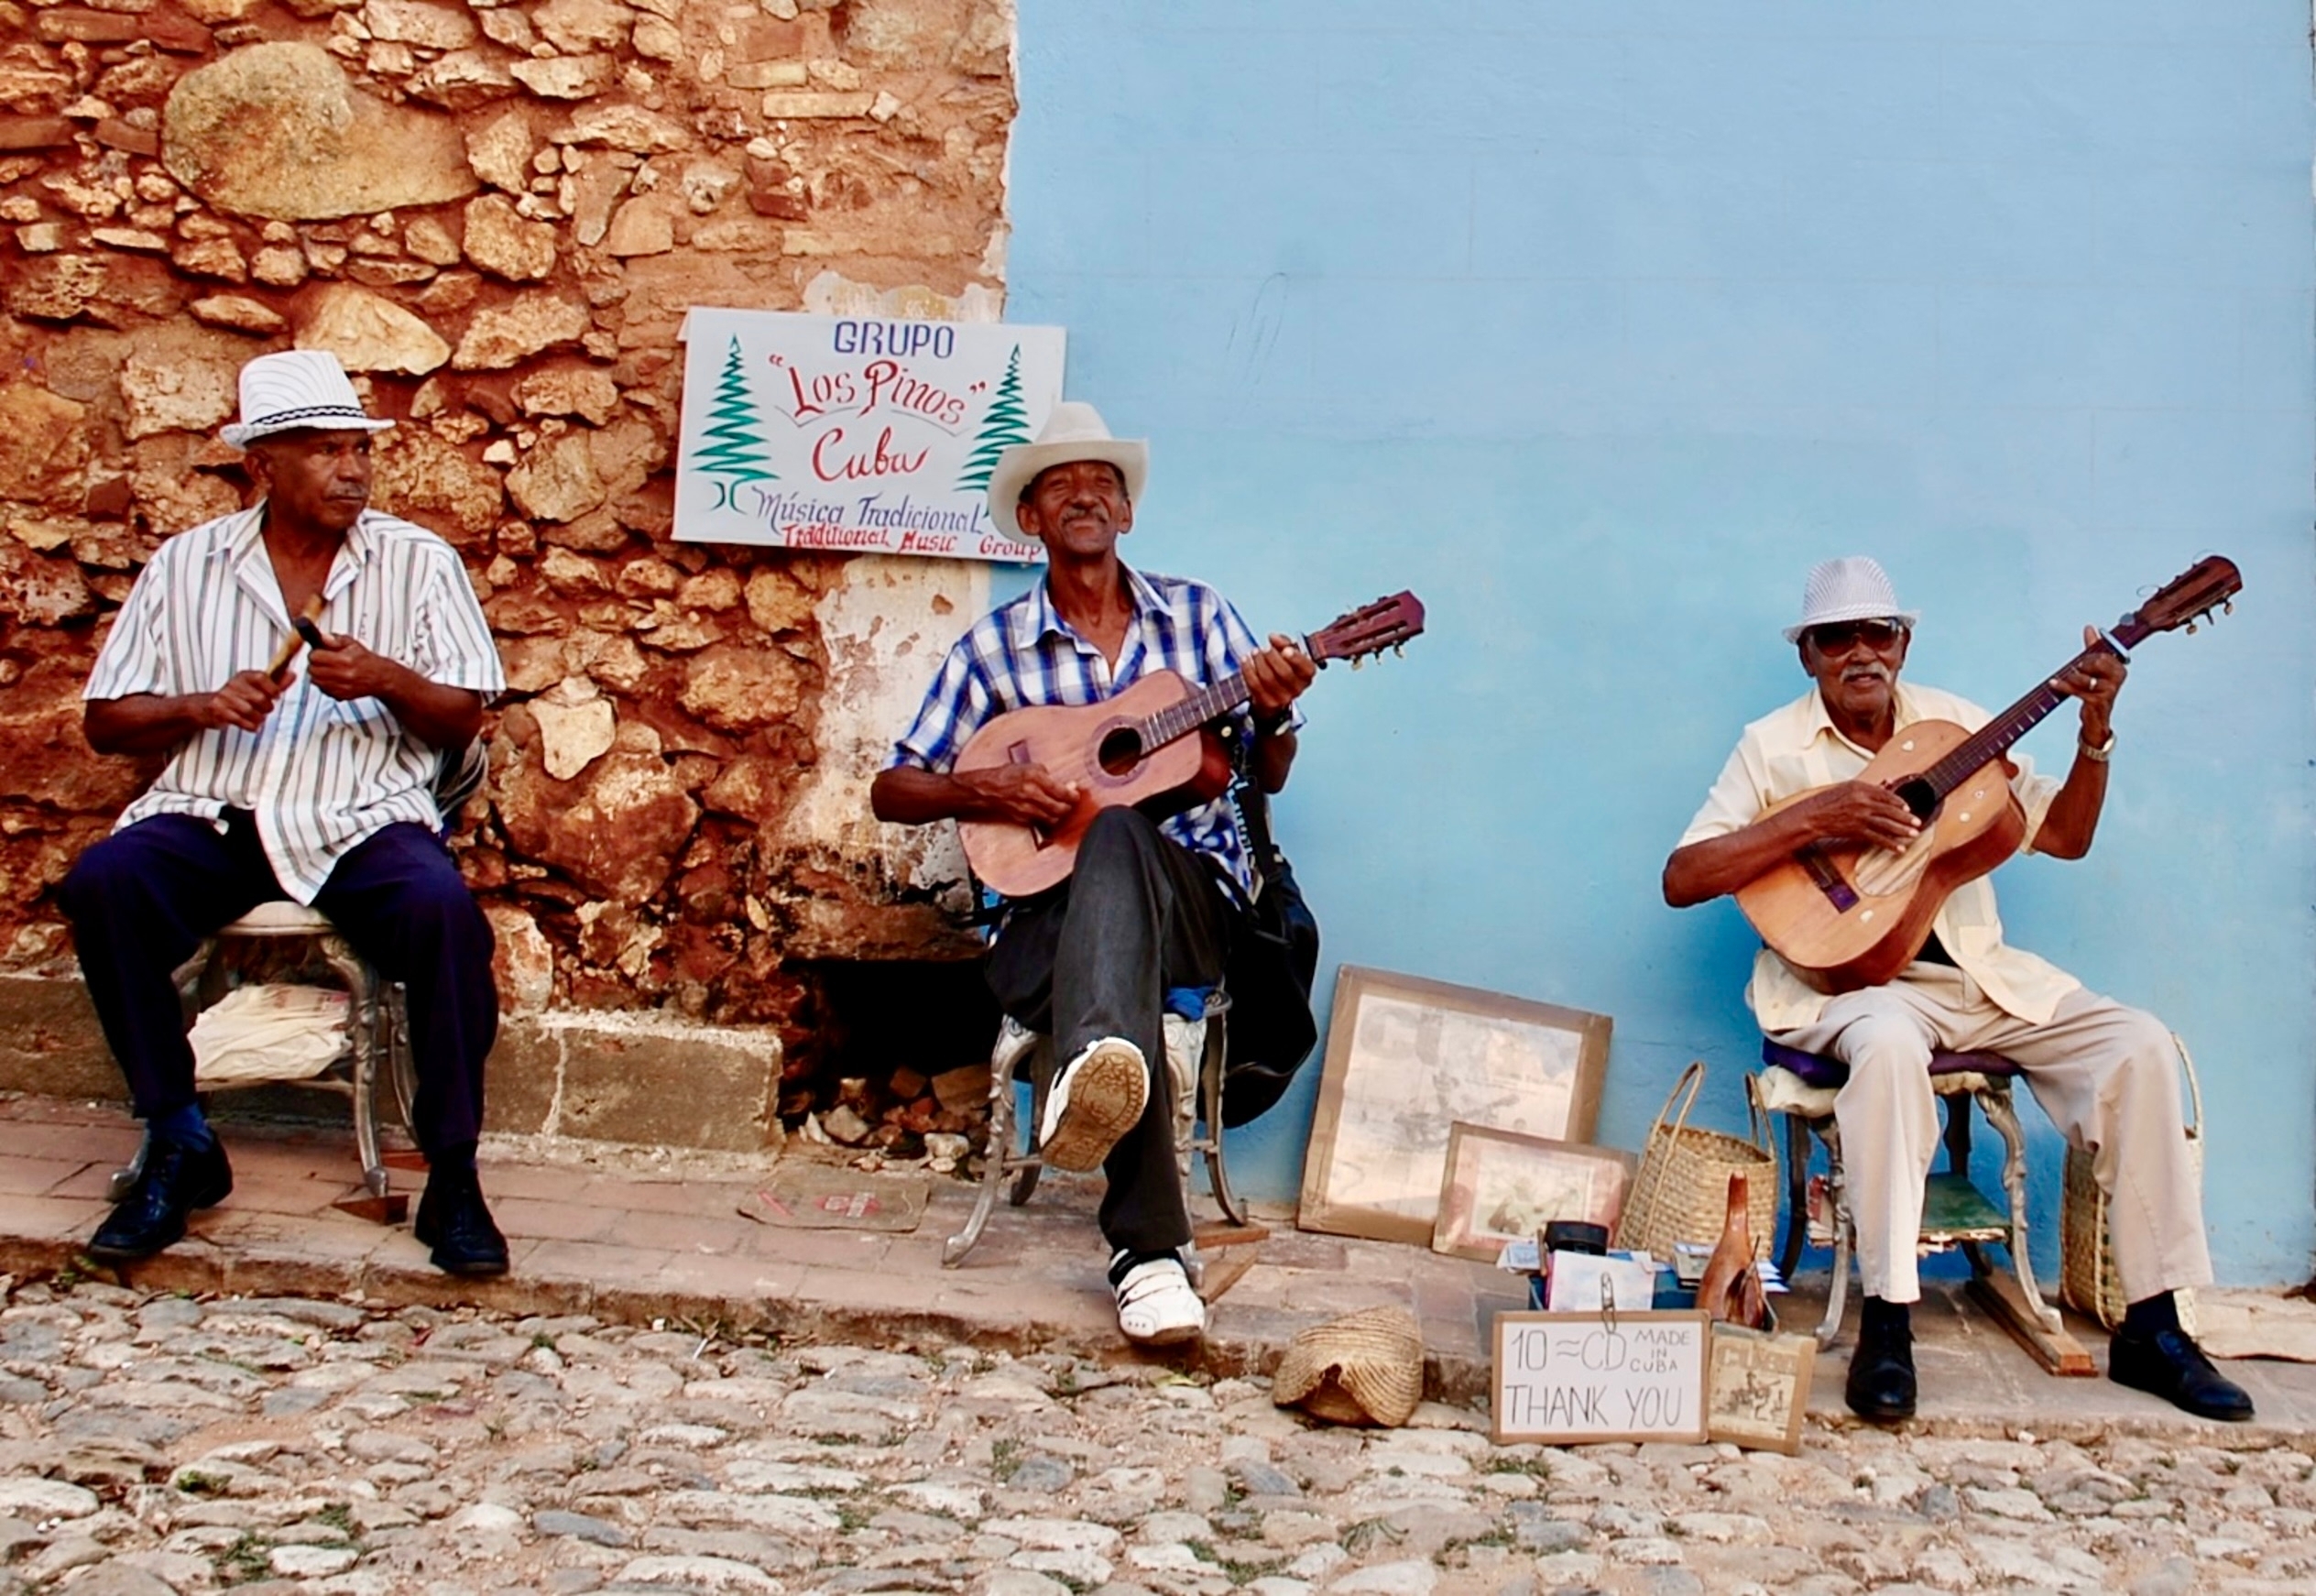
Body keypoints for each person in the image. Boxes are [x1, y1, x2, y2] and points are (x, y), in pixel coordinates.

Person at [1662, 556, 2249, 1423]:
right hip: (1849, 989)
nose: (1860, 652)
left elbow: (2068, 834)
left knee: (2141, 1047)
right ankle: (1889, 1322)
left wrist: (2095, 732)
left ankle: (2153, 1328)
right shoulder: (1771, 746)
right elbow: (1684, 875)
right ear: (1809, 655)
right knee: (1892, 1048)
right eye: (1837, 637)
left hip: (1978, 976)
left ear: (1902, 643)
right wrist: (1812, 820)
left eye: (1879, 632)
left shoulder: (1957, 726)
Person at [870, 402, 1316, 1347]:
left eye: (1103, 480)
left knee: (1116, 832)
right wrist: (982, 783)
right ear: (1028, 517)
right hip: (1041, 926)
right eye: (1060, 481)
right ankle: (1144, 1238)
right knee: (1113, 913)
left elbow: (1264, 770)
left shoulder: (1197, 618)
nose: (1086, 493)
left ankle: (1100, 1120)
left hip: (1196, 903)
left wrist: (1270, 713)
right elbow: (891, 789)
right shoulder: (993, 649)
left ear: (1126, 513)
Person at [59, 350, 510, 1277]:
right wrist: (196, 706)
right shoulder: (190, 566)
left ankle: (454, 1174)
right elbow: (107, 723)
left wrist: (385, 680)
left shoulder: (417, 562)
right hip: (216, 807)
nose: (352, 469)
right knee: (105, 882)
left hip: (360, 815)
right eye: (325, 450)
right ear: (264, 464)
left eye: (359, 449)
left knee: (444, 915)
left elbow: (466, 714)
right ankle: (179, 1136)